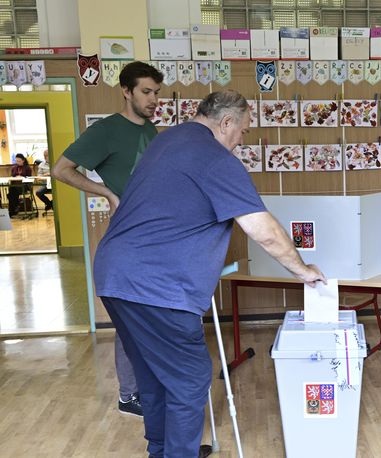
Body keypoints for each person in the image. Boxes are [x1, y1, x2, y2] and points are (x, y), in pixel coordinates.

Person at [93, 90, 326, 458]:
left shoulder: (168, 138)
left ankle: (162, 451)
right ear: (227, 122)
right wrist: (302, 270)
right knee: (189, 379)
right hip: (156, 286)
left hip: (114, 276)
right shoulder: (215, 159)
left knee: (153, 375)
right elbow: (262, 230)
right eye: (244, 131)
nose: (242, 141)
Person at [52, 61, 163, 419]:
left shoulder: (152, 130)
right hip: (127, 240)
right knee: (131, 317)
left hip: (152, 237)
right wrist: (106, 193)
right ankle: (129, 394)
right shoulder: (107, 131)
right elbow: (60, 169)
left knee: (150, 316)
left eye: (156, 93)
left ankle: (146, 386)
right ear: (127, 91)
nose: (153, 99)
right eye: (146, 92)